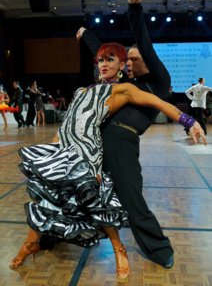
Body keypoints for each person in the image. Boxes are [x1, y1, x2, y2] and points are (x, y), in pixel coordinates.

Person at [10, 42, 206, 280]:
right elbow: (69, 122)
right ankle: (40, 242)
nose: (103, 64)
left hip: (94, 151)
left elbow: (159, 103)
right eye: (101, 60)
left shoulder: (123, 90)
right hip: (67, 149)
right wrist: (53, 146)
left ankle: (136, 249)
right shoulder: (83, 90)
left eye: (110, 59)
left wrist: (189, 122)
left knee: (111, 201)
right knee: (53, 196)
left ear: (122, 65)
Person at [76, 0, 176, 269]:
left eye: (134, 59)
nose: (129, 63)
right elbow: (104, 55)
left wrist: (134, 8)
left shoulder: (158, 81)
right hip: (95, 140)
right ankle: (53, 235)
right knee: (72, 188)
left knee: (132, 200)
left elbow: (144, 43)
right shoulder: (123, 84)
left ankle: (158, 248)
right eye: (127, 61)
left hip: (122, 144)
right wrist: (87, 35)